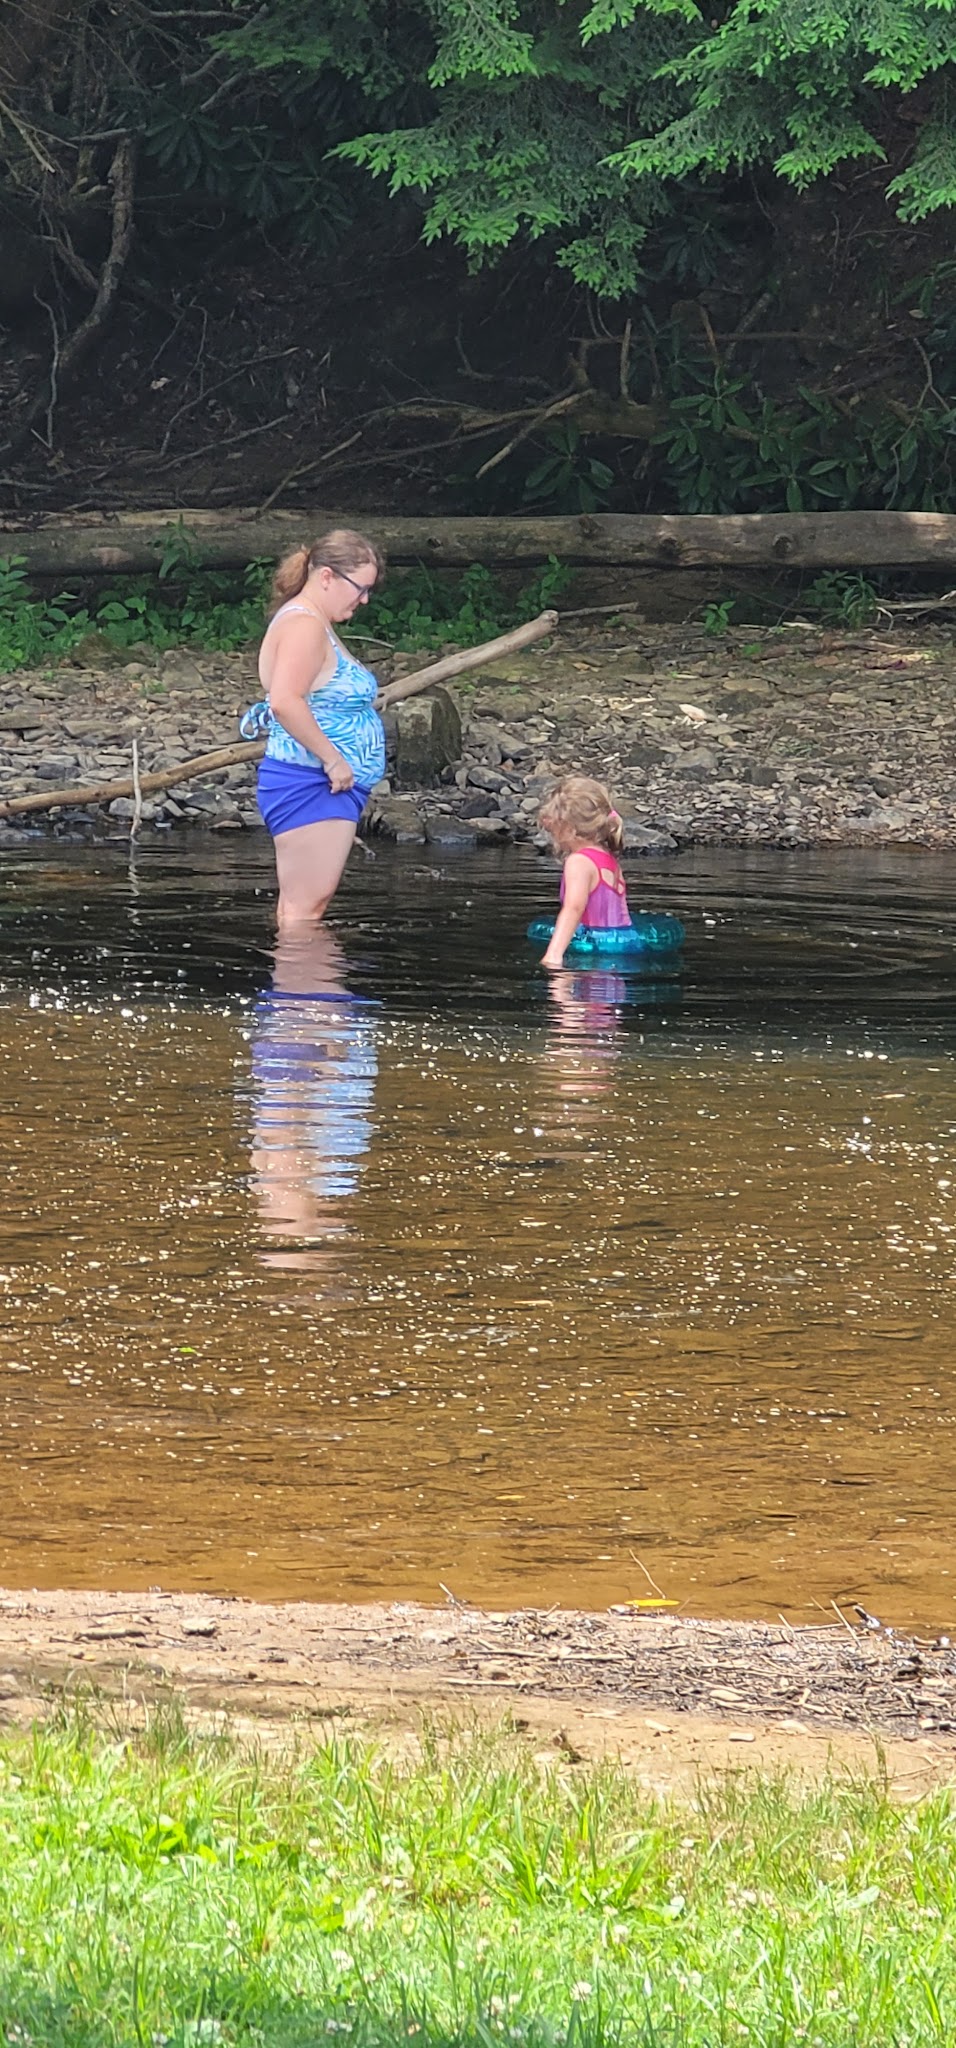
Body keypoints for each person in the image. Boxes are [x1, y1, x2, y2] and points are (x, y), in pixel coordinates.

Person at [240, 528, 386, 927]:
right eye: (360, 588)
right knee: (304, 913)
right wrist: (334, 760)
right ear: (326, 577)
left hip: (318, 785)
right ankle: (305, 971)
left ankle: (305, 970)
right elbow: (286, 701)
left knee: (302, 909)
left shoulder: (313, 622)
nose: (365, 599)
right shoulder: (304, 626)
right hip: (313, 783)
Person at [536, 775, 632, 968]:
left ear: (567, 826)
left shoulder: (579, 862)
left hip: (595, 950)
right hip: (622, 945)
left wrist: (553, 955)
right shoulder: (607, 857)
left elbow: (574, 907)